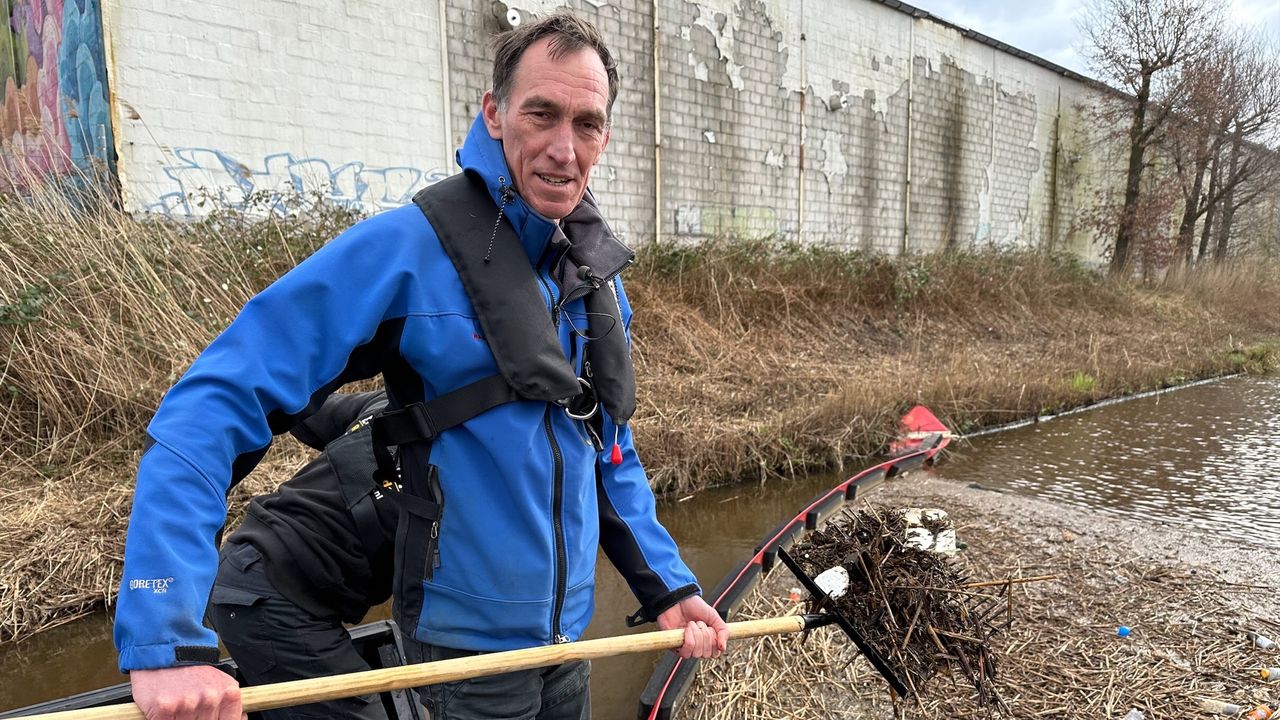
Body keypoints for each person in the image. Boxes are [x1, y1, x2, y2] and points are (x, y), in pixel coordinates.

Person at [113, 10, 728, 720]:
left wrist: (670, 587)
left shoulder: (594, 278)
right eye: (542, 113)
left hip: (563, 648)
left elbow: (608, 449)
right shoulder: (406, 251)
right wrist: (165, 639)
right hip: (464, 661)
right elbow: (211, 406)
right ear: (494, 114)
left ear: (605, 135)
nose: (565, 148)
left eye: (586, 123)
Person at [207, 390, 398, 720]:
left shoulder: (394, 401)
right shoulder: (398, 404)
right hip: (264, 595)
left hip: (265, 577)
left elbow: (300, 406)